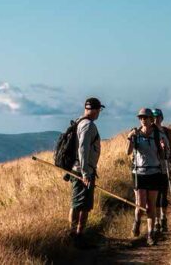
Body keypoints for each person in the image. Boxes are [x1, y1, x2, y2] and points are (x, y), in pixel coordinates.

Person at [128, 108, 167, 245]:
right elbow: (128, 152)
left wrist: (163, 148)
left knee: (151, 206)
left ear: (151, 119)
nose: (143, 120)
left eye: (146, 117)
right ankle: (137, 221)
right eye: (141, 118)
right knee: (140, 205)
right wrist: (130, 138)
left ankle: (150, 234)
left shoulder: (159, 135)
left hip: (154, 172)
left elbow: (163, 157)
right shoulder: (135, 134)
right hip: (139, 173)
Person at [69, 97, 104, 241]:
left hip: (78, 168)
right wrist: (85, 173)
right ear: (95, 110)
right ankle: (77, 236)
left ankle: (75, 235)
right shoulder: (88, 125)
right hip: (83, 171)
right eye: (99, 110)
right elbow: (83, 149)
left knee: (78, 203)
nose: (99, 113)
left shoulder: (79, 121)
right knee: (82, 205)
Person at [153, 108, 171, 232]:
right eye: (154, 117)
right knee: (155, 195)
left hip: (165, 166)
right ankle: (157, 221)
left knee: (163, 194)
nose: (156, 119)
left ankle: (163, 218)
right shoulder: (149, 132)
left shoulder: (167, 132)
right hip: (153, 167)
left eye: (158, 117)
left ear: (162, 118)